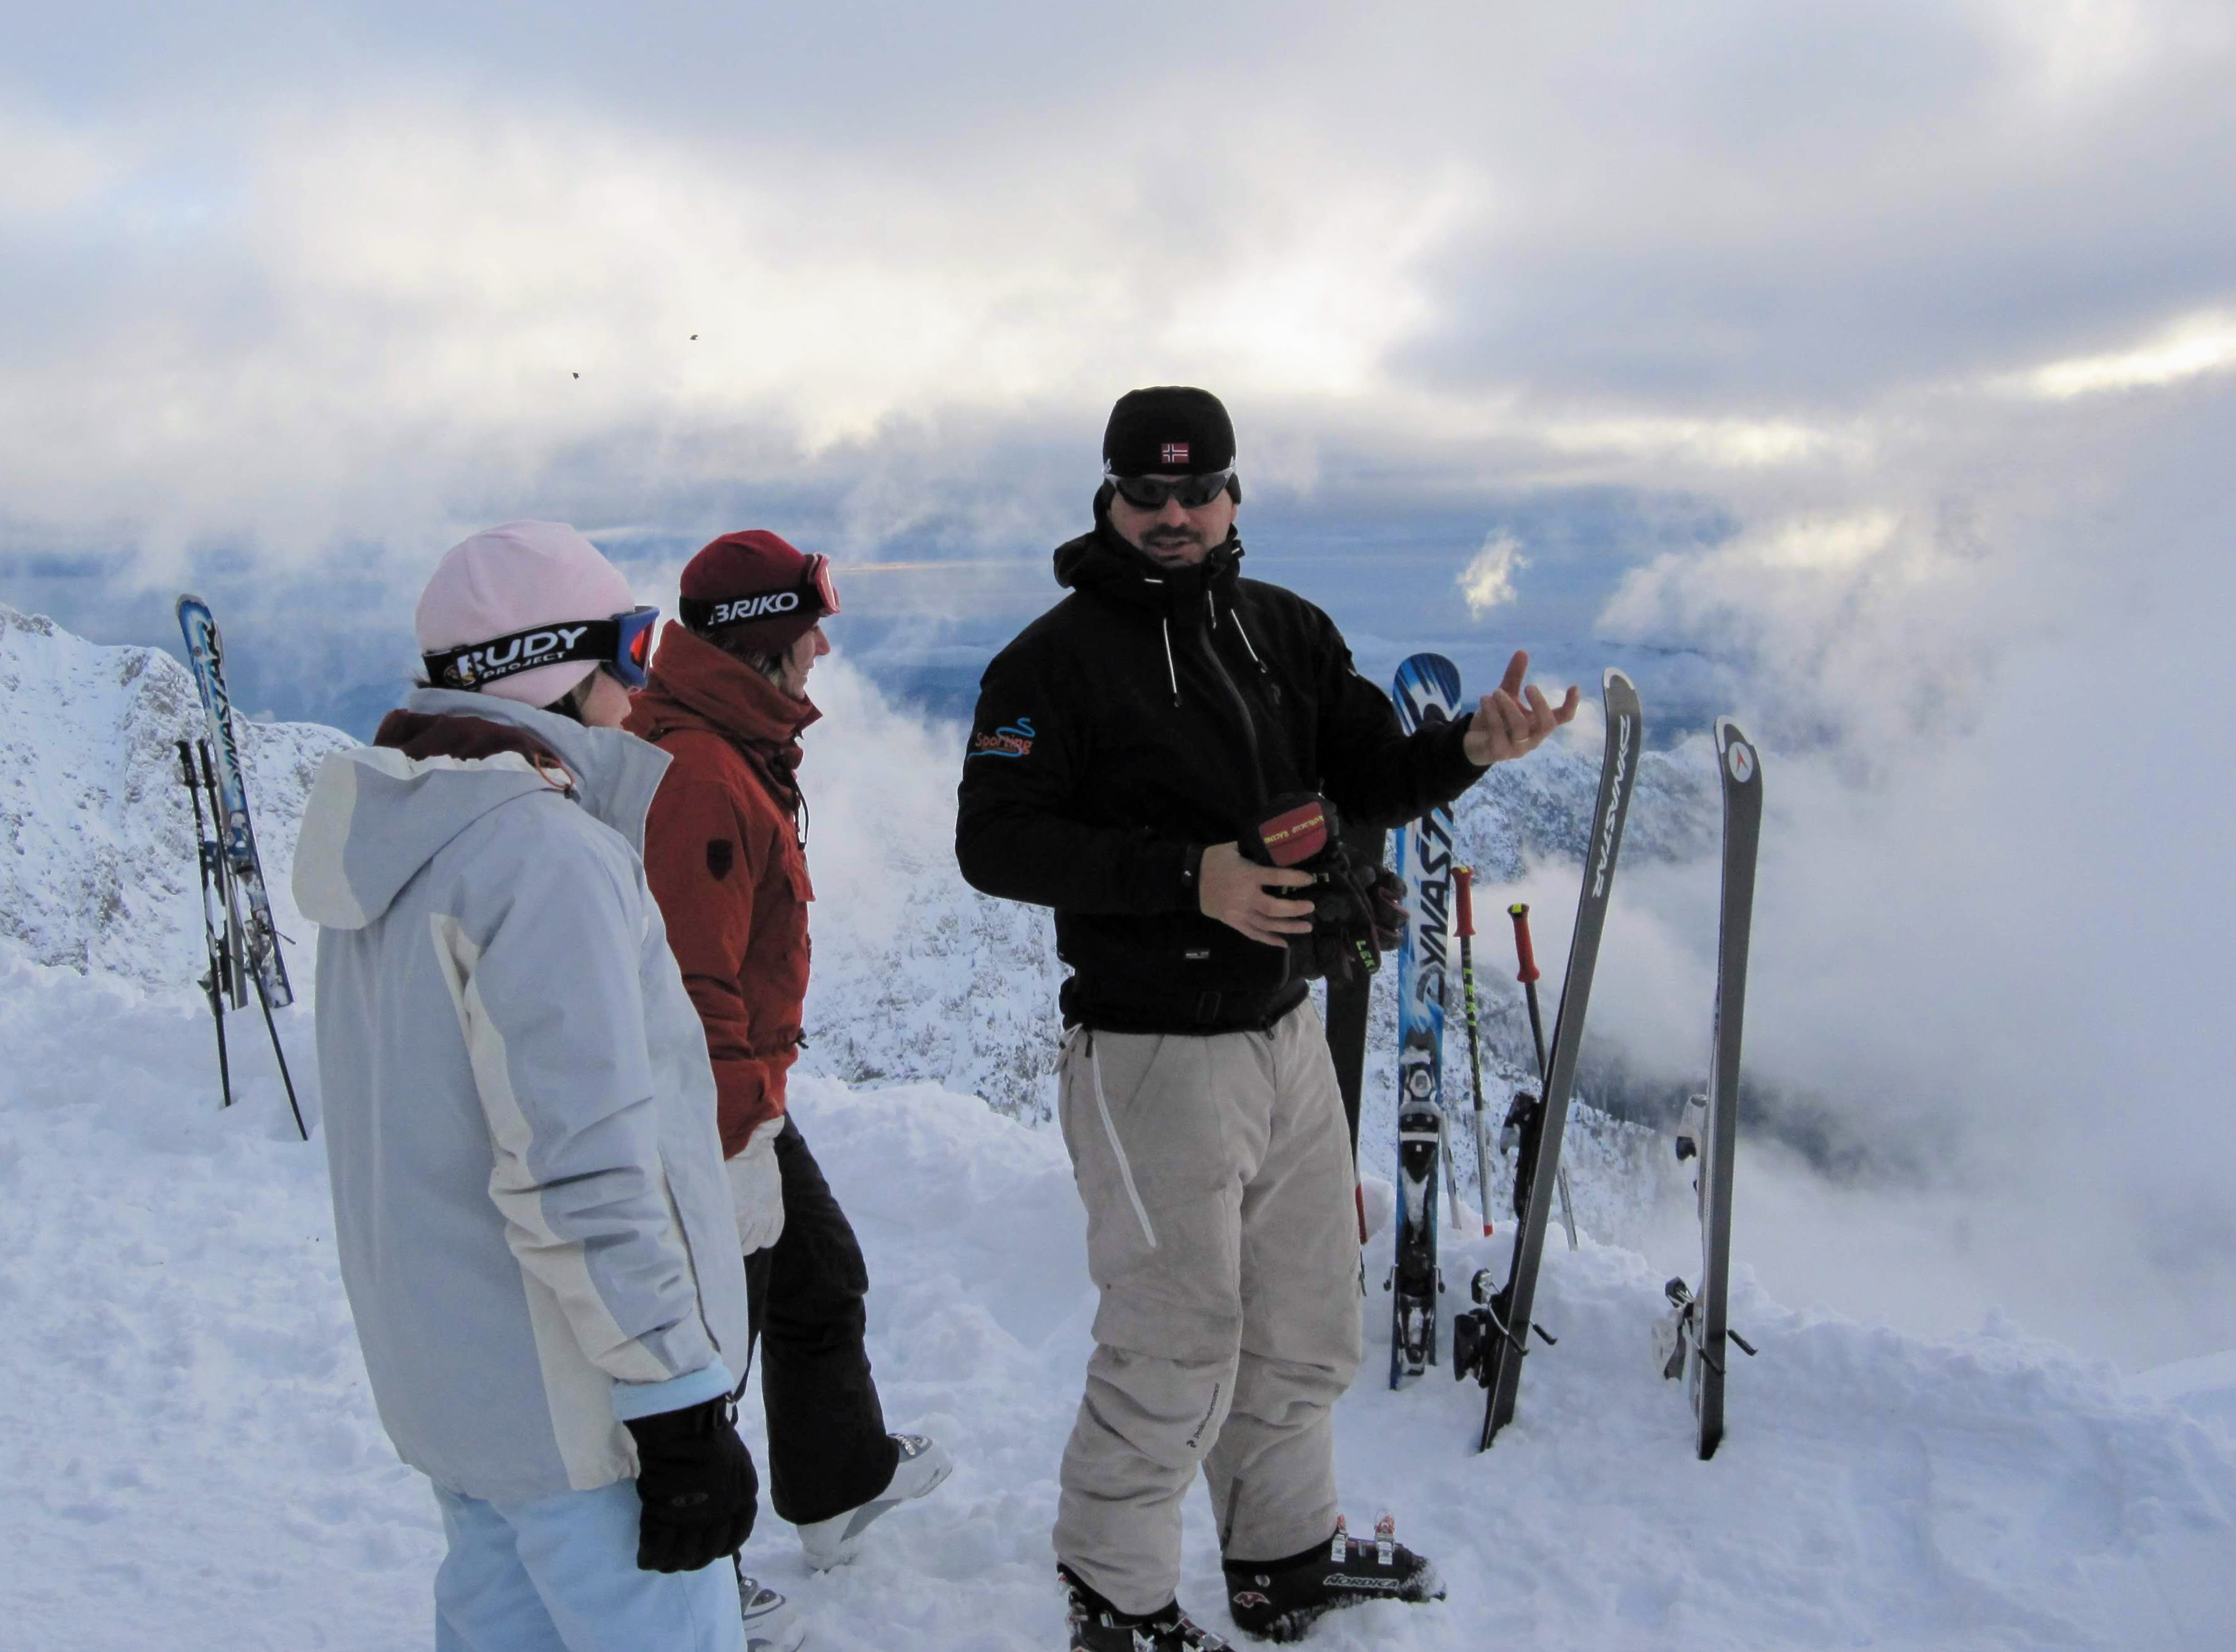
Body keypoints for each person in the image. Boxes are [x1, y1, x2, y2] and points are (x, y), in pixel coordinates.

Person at [954, 390, 1579, 1651]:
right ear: (1109, 500)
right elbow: (994, 841)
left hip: (1285, 1033)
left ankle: (1281, 1559)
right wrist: (1194, 878)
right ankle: (1117, 1602)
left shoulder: (1280, 628)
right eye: (1147, 494)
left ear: (1233, 496)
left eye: (1197, 492)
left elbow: (1372, 778)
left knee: (1302, 1316)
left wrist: (1467, 749)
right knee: (1173, 1340)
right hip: (1150, 1052)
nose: (1173, 515)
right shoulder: (1049, 663)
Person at [290, 521, 755, 1652]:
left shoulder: (405, 838)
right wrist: (674, 1399)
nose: (642, 686)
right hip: (585, 1413)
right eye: (633, 647)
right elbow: (581, 1165)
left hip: (462, 1395)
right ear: (552, 666)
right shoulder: (541, 859)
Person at [625, 530, 952, 1623]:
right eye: (810, 626)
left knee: (819, 1275)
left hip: (742, 1089)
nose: (823, 647)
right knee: (715, 1340)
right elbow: (690, 980)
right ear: (762, 639)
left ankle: (840, 1484)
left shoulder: (726, 740)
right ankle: (693, 1589)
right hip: (713, 1107)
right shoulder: (703, 774)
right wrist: (729, 1148)